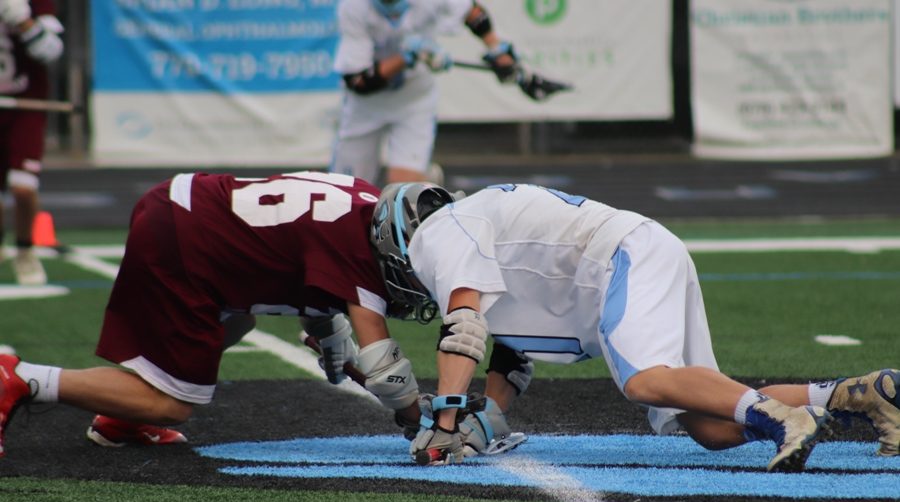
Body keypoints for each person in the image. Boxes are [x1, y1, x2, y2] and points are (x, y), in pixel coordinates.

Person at [368, 182, 900, 471]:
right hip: (629, 259)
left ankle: (787, 418)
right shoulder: (474, 230)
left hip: (621, 257)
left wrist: (444, 424)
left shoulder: (437, 233)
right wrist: (486, 422)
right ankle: (859, 395)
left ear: (400, 236)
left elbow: (464, 326)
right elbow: (509, 352)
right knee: (711, 429)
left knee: (642, 378)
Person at [0, 171, 426, 456]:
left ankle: (122, 419)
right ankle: (20, 378)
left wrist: (332, 339)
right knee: (172, 404)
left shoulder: (364, 200)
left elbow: (307, 264)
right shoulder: (362, 259)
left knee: (238, 319)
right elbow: (385, 371)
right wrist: (425, 421)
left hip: (182, 207)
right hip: (188, 242)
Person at [330, 0, 520, 186]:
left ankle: (421, 181)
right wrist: (408, 57)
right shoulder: (353, 7)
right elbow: (359, 81)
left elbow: (471, 11)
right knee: (347, 191)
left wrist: (497, 51)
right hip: (365, 107)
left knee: (400, 193)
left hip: (413, 103)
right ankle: (425, 181)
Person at [0, 0, 64, 285]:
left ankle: (25, 251)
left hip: (25, 105)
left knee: (23, 187)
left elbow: (51, 52)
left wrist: (23, 21)